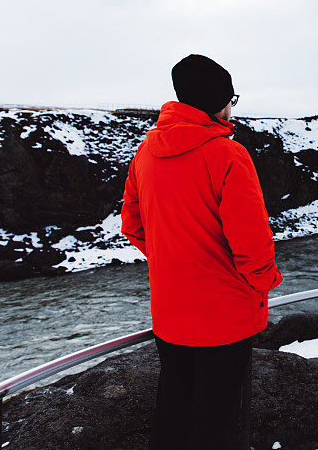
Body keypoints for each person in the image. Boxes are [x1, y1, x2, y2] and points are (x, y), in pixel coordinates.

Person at [120, 54, 283, 449]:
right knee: (217, 425)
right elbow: (251, 243)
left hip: (170, 315)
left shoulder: (145, 153)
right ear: (216, 102)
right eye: (231, 98)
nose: (232, 107)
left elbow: (132, 225)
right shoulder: (228, 155)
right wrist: (264, 283)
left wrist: (171, 258)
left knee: (173, 414)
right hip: (224, 318)